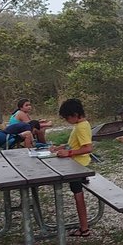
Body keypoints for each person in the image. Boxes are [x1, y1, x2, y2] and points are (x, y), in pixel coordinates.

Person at [52, 98, 94, 236]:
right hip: (75, 165)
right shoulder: (79, 125)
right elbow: (74, 144)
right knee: (76, 193)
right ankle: (84, 225)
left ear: (75, 115)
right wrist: (61, 147)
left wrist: (68, 153)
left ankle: (84, 228)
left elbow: (88, 148)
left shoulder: (82, 126)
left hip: (78, 167)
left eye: (67, 118)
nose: (66, 121)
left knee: (78, 195)